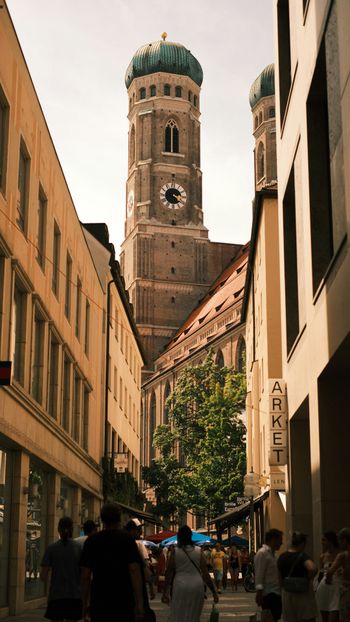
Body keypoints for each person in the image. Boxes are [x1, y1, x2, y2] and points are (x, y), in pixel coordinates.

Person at [80, 502, 145, 622]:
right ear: (119, 519)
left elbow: (85, 575)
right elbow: (134, 571)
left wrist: (84, 604)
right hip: (123, 598)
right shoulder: (127, 540)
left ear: (102, 519)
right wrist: (140, 603)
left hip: (100, 598)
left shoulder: (92, 541)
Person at [162, 525, 219, 622]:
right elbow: (205, 574)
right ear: (190, 536)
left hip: (180, 585)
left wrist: (165, 592)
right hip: (197, 585)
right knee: (194, 615)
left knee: (179, 614)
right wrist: (214, 592)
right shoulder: (198, 550)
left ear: (179, 536)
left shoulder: (175, 551)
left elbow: (169, 572)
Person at [40, 516, 82, 622]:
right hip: (74, 596)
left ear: (58, 529)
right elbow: (83, 573)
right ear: (72, 529)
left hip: (56, 595)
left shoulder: (51, 548)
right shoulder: (78, 548)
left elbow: (43, 576)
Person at [277, 531, 317, 622]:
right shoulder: (302, 556)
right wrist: (308, 578)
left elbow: (279, 578)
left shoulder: (282, 557)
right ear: (302, 544)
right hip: (303, 593)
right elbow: (313, 568)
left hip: (287, 594)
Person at [255, 528, 283, 622]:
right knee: (269, 618)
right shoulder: (262, 553)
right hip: (268, 594)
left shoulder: (274, 554)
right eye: (280, 540)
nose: (281, 543)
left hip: (276, 592)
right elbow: (259, 574)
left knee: (274, 618)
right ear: (273, 540)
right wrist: (259, 593)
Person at [125, 519, 155, 600]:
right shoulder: (139, 544)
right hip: (138, 583)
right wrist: (151, 587)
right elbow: (145, 565)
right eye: (138, 530)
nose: (140, 532)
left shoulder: (121, 543)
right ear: (131, 530)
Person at [326, 527, 350, 622]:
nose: (339, 543)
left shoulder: (343, 555)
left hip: (347, 589)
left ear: (344, 540)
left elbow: (330, 571)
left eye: (340, 540)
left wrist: (328, 580)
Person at [316, 531, 340, 622]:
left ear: (331, 541)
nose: (322, 542)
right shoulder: (323, 556)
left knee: (334, 612)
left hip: (336, 587)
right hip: (324, 587)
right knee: (324, 614)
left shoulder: (340, 554)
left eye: (324, 540)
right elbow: (320, 572)